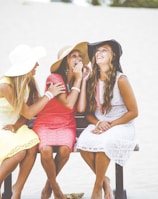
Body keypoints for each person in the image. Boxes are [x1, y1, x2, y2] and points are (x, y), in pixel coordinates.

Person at [0, 44, 65, 199]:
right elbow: (29, 112)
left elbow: (28, 111)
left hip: (15, 126)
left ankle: (17, 191)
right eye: (34, 62)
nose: (37, 65)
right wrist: (49, 94)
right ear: (26, 65)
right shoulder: (5, 86)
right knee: (20, 152)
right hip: (2, 127)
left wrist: (16, 125)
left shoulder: (28, 81)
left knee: (32, 145)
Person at [77, 39, 138, 199]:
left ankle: (97, 188)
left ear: (114, 56)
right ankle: (105, 182)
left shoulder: (121, 80)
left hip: (121, 124)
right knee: (83, 143)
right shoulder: (92, 81)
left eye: (104, 50)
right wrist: (98, 123)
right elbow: (88, 114)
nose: (99, 53)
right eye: (97, 51)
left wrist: (110, 125)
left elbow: (133, 112)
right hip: (100, 124)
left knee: (105, 143)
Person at [33, 42, 90, 199]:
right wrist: (78, 79)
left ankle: (47, 187)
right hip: (46, 123)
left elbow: (80, 108)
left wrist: (83, 80)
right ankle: (56, 189)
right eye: (73, 56)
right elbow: (68, 103)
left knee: (65, 150)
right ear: (66, 61)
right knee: (46, 151)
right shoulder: (54, 78)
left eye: (80, 57)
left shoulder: (77, 80)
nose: (78, 59)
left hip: (66, 124)